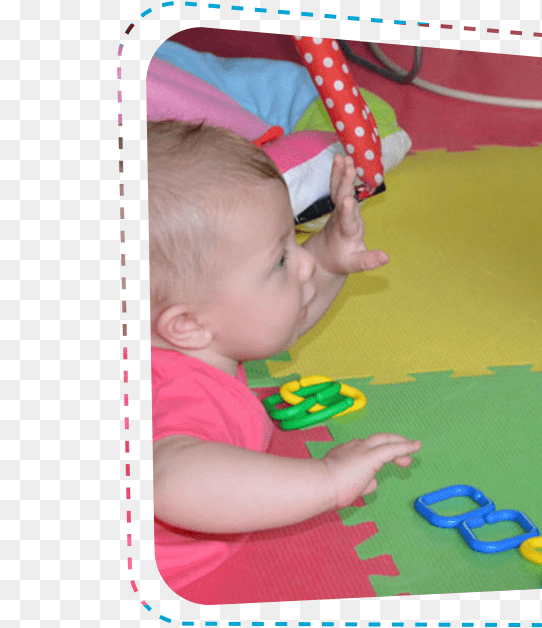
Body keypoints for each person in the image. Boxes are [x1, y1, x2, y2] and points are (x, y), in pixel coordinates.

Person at [147, 119, 421, 590]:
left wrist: (330, 257)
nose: (303, 262)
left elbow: (277, 320)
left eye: (293, 241)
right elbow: (172, 481)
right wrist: (328, 479)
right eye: (280, 260)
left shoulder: (190, 338)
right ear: (187, 324)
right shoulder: (184, 394)